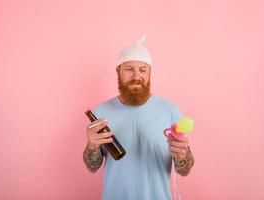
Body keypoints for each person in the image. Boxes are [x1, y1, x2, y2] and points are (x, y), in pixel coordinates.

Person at [83, 35, 194, 200]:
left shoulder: (170, 110)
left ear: (150, 73)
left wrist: (182, 155)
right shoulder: (101, 112)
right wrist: (92, 145)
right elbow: (92, 167)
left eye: (143, 69)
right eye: (129, 69)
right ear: (118, 71)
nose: (136, 76)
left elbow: (184, 170)